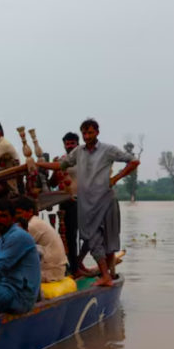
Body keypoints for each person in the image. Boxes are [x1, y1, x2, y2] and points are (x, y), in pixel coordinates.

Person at [39, 119, 139, 287]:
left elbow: (134, 161)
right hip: (87, 202)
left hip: (106, 199)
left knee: (109, 238)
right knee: (91, 238)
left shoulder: (108, 150)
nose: (87, 136)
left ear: (97, 132)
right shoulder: (78, 152)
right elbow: (61, 165)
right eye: (84, 133)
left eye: (90, 133)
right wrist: (38, 163)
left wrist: (115, 178)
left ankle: (108, 274)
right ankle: (104, 274)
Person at [13, 195, 68, 283]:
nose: (16, 217)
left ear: (30, 212)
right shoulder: (35, 222)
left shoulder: (32, 225)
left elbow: (16, 249)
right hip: (56, 270)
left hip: (51, 273)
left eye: (19, 213)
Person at [48, 132, 82, 271]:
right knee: (67, 235)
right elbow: (52, 183)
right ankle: (71, 266)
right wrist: (56, 171)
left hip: (85, 200)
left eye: (72, 143)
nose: (69, 146)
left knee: (88, 236)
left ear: (77, 144)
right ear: (64, 145)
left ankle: (79, 263)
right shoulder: (61, 161)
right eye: (67, 144)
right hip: (67, 201)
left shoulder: (85, 159)